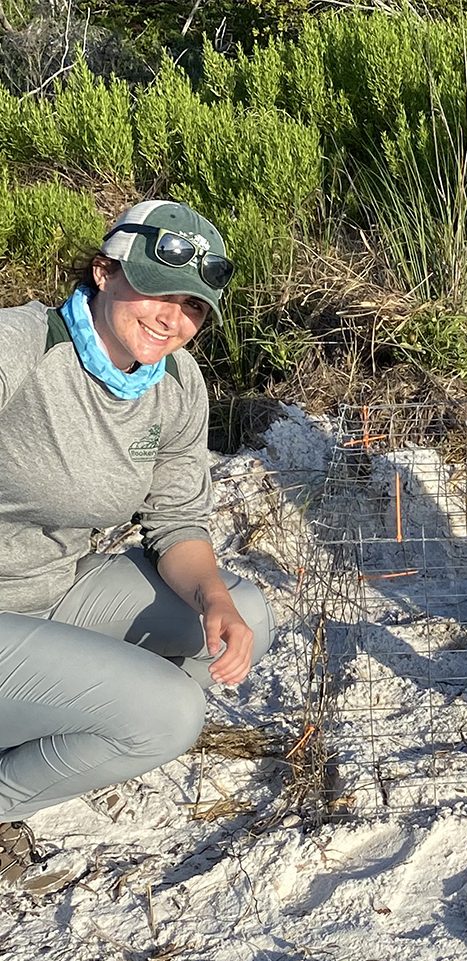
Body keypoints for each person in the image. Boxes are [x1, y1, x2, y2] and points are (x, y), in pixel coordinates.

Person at [0, 200, 275, 893]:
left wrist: (212, 595)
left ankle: (54, 735)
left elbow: (177, 524)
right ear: (104, 271)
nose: (170, 318)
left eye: (192, 307)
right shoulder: (26, 348)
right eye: (157, 290)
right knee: (169, 713)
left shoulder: (176, 386)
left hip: (54, 588)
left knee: (247, 615)